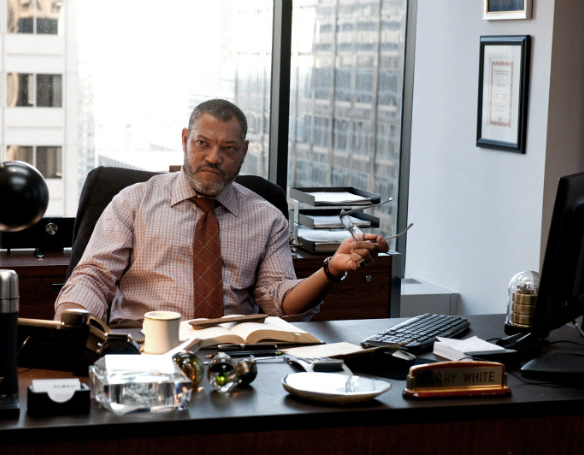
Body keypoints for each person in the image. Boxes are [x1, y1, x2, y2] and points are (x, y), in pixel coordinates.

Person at [55, 99, 388, 325]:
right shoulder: (133, 202)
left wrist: (332, 270)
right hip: (146, 349)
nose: (213, 158)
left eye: (227, 148)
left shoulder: (267, 218)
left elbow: (281, 303)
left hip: (232, 357)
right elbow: (93, 278)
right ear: (185, 140)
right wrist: (71, 323)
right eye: (202, 144)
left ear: (243, 152)